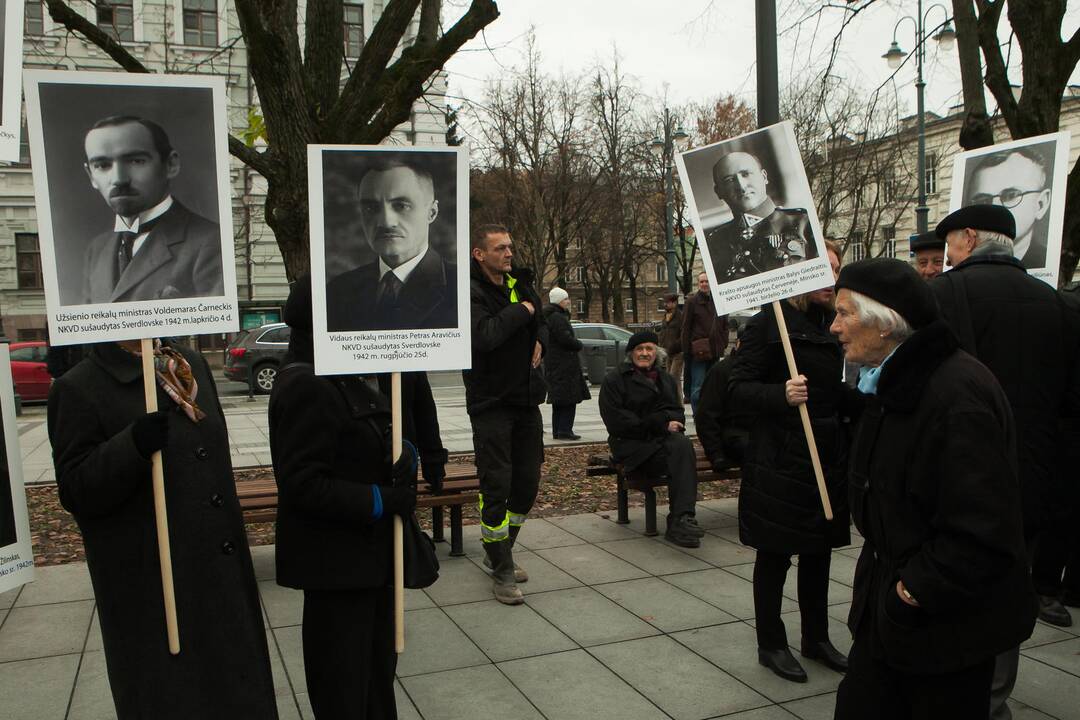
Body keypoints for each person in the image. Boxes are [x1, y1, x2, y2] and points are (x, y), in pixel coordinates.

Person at [830, 257, 1037, 720]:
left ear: (885, 323)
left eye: (845, 313)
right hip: (897, 616)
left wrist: (911, 592)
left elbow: (982, 530)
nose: (834, 326)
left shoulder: (953, 396)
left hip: (944, 628)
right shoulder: (893, 381)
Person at [47, 340, 277, 718]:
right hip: (153, 596)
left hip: (221, 584)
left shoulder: (189, 365)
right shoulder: (78, 387)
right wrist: (131, 445)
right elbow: (76, 490)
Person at [929, 204, 1080, 720]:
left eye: (948, 244)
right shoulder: (1060, 306)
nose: (945, 255)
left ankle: (946, 693)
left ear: (968, 238)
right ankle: (993, 700)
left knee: (946, 581)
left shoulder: (940, 296)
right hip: (1031, 482)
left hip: (951, 474)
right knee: (1006, 589)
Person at [269, 276, 418, 718]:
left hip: (367, 566)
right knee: (344, 693)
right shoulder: (306, 384)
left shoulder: (341, 376)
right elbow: (303, 485)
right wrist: (381, 499)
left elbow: (357, 444)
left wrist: (401, 455)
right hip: (336, 571)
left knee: (375, 686)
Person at [729, 240, 850, 683]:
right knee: (776, 555)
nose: (833, 279)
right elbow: (733, 390)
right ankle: (771, 643)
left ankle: (815, 637)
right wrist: (779, 393)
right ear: (798, 273)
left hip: (827, 454)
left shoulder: (837, 323)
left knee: (819, 554)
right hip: (781, 458)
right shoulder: (768, 325)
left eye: (836, 269)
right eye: (824, 269)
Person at [465, 224, 547, 605]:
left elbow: (541, 318)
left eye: (510, 247)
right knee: (496, 485)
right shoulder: (470, 291)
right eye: (500, 249)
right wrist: (523, 310)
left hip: (526, 400)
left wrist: (541, 338)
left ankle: (502, 548)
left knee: (527, 484)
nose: (509, 254)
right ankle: (500, 566)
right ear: (479, 254)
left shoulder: (520, 282)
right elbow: (485, 336)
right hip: (491, 404)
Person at [80, 115, 223, 305]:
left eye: (136, 161)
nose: (119, 179)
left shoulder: (211, 242)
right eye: (102, 165)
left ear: (171, 165)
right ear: (91, 175)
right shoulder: (97, 249)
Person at [598, 331, 704, 548]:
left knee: (682, 445)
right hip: (632, 448)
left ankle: (682, 519)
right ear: (631, 353)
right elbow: (618, 422)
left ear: (657, 352)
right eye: (639, 349)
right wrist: (661, 423)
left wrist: (667, 422)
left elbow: (677, 413)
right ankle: (680, 520)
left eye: (649, 349)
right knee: (681, 450)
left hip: (662, 444)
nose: (644, 353)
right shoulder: (615, 379)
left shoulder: (665, 378)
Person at [326, 158, 457, 332]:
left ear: (432, 212)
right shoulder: (338, 291)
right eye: (371, 208)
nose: (386, 222)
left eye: (401, 206)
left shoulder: (459, 287)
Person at [705, 150, 818, 284]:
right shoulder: (716, 242)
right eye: (729, 180)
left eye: (746, 174)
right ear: (719, 192)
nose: (741, 186)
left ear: (764, 176)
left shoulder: (803, 221)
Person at [965, 147, 1052, 270]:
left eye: (1011, 195)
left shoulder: (1048, 262)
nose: (995, 209)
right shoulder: (962, 268)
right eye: (983, 201)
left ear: (1041, 204)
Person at [694, 323, 752, 472]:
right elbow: (706, 416)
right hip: (734, 439)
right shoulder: (721, 371)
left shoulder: (765, 369)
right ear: (739, 343)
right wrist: (716, 454)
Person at [543, 286, 589, 440]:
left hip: (555, 362)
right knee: (569, 398)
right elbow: (565, 339)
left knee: (559, 400)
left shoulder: (550, 316)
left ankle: (558, 430)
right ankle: (565, 430)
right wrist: (578, 344)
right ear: (559, 301)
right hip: (564, 363)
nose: (568, 301)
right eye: (565, 299)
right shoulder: (558, 317)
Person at [681, 272, 729, 412]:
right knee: (698, 387)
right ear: (698, 284)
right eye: (701, 281)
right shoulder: (691, 302)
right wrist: (686, 350)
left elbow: (725, 325)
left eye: (707, 281)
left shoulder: (719, 300)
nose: (704, 284)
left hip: (715, 349)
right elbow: (686, 327)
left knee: (713, 385)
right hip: (698, 352)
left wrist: (723, 342)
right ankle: (698, 416)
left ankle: (710, 414)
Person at [658, 293, 684, 387]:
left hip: (678, 352)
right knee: (668, 379)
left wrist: (676, 346)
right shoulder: (665, 316)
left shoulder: (680, 316)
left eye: (668, 302)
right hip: (667, 352)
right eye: (665, 302)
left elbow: (683, 334)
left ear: (674, 303)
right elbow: (663, 332)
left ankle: (678, 401)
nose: (665, 304)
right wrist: (661, 344)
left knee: (674, 379)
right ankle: (671, 400)